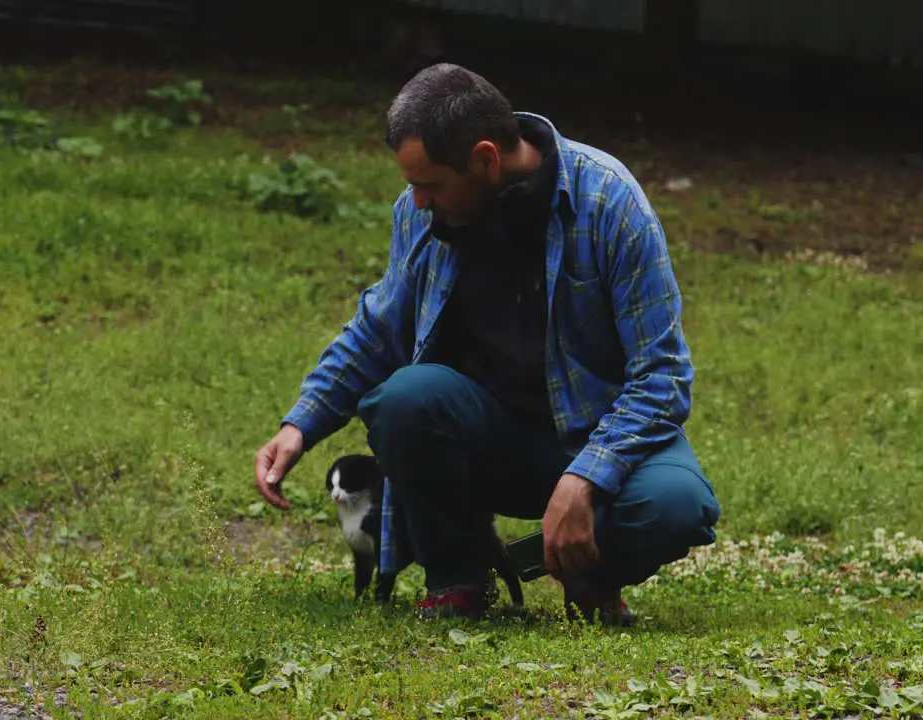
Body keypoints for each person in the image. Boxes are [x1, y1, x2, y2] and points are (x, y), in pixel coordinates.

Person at [254, 62, 721, 625]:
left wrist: (588, 476)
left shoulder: (609, 201)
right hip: (482, 438)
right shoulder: (421, 214)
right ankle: (458, 577)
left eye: (429, 185)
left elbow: (662, 375)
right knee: (404, 399)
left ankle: (585, 572)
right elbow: (380, 327)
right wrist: (299, 424)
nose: (418, 202)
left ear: (485, 159)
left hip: (593, 433)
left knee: (677, 507)